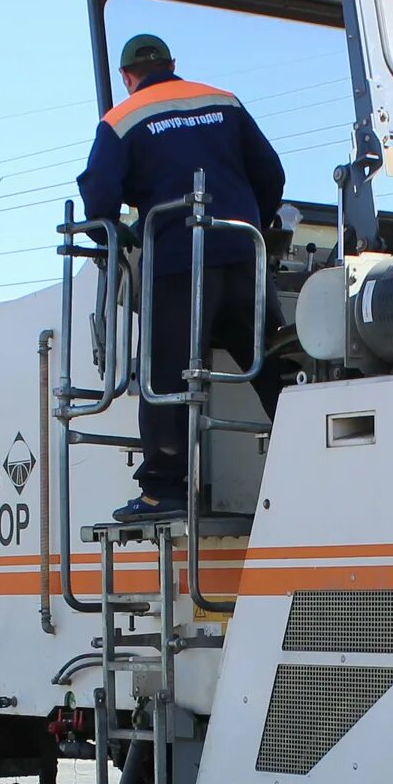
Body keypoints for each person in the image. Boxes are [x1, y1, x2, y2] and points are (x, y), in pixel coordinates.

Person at [77, 34, 287, 523]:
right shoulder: (222, 101)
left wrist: (120, 227)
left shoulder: (122, 118)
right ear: (173, 65)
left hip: (178, 263)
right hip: (243, 254)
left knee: (165, 373)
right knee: (275, 363)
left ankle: (163, 491)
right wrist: (255, 219)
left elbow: (98, 199)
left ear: (127, 77)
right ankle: (317, 456)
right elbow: (271, 173)